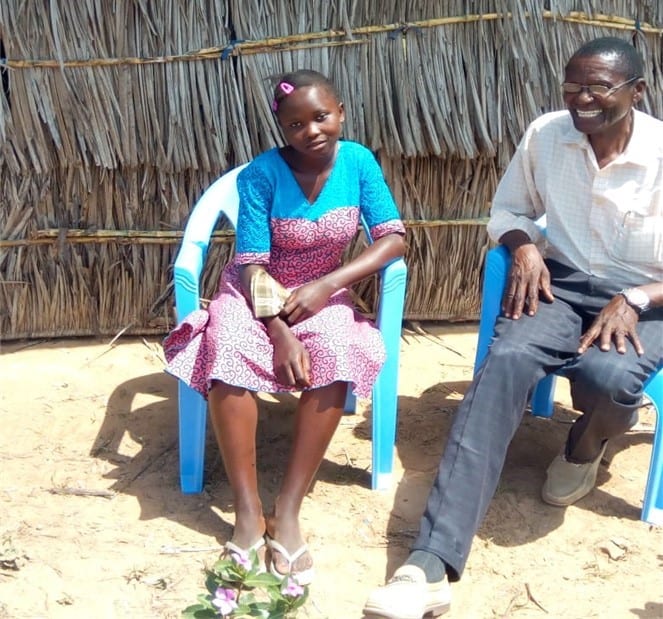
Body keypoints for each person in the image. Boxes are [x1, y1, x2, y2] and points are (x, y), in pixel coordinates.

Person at [364, 36, 662, 619]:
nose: (583, 99)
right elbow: (507, 210)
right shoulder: (547, 134)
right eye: (573, 86)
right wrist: (523, 247)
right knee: (504, 364)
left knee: (609, 376)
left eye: (599, 87)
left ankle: (585, 446)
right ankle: (429, 563)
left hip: (649, 297)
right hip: (561, 281)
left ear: (637, 91)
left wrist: (636, 295)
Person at [163, 69, 406, 585]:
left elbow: (393, 238)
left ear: (340, 112)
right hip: (256, 296)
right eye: (296, 124)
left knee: (340, 350)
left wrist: (327, 285)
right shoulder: (260, 175)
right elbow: (251, 263)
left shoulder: (359, 163)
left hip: (322, 291)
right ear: (282, 129)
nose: (311, 131)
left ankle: (289, 509)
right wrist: (278, 330)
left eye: (321, 117)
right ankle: (247, 512)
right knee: (226, 347)